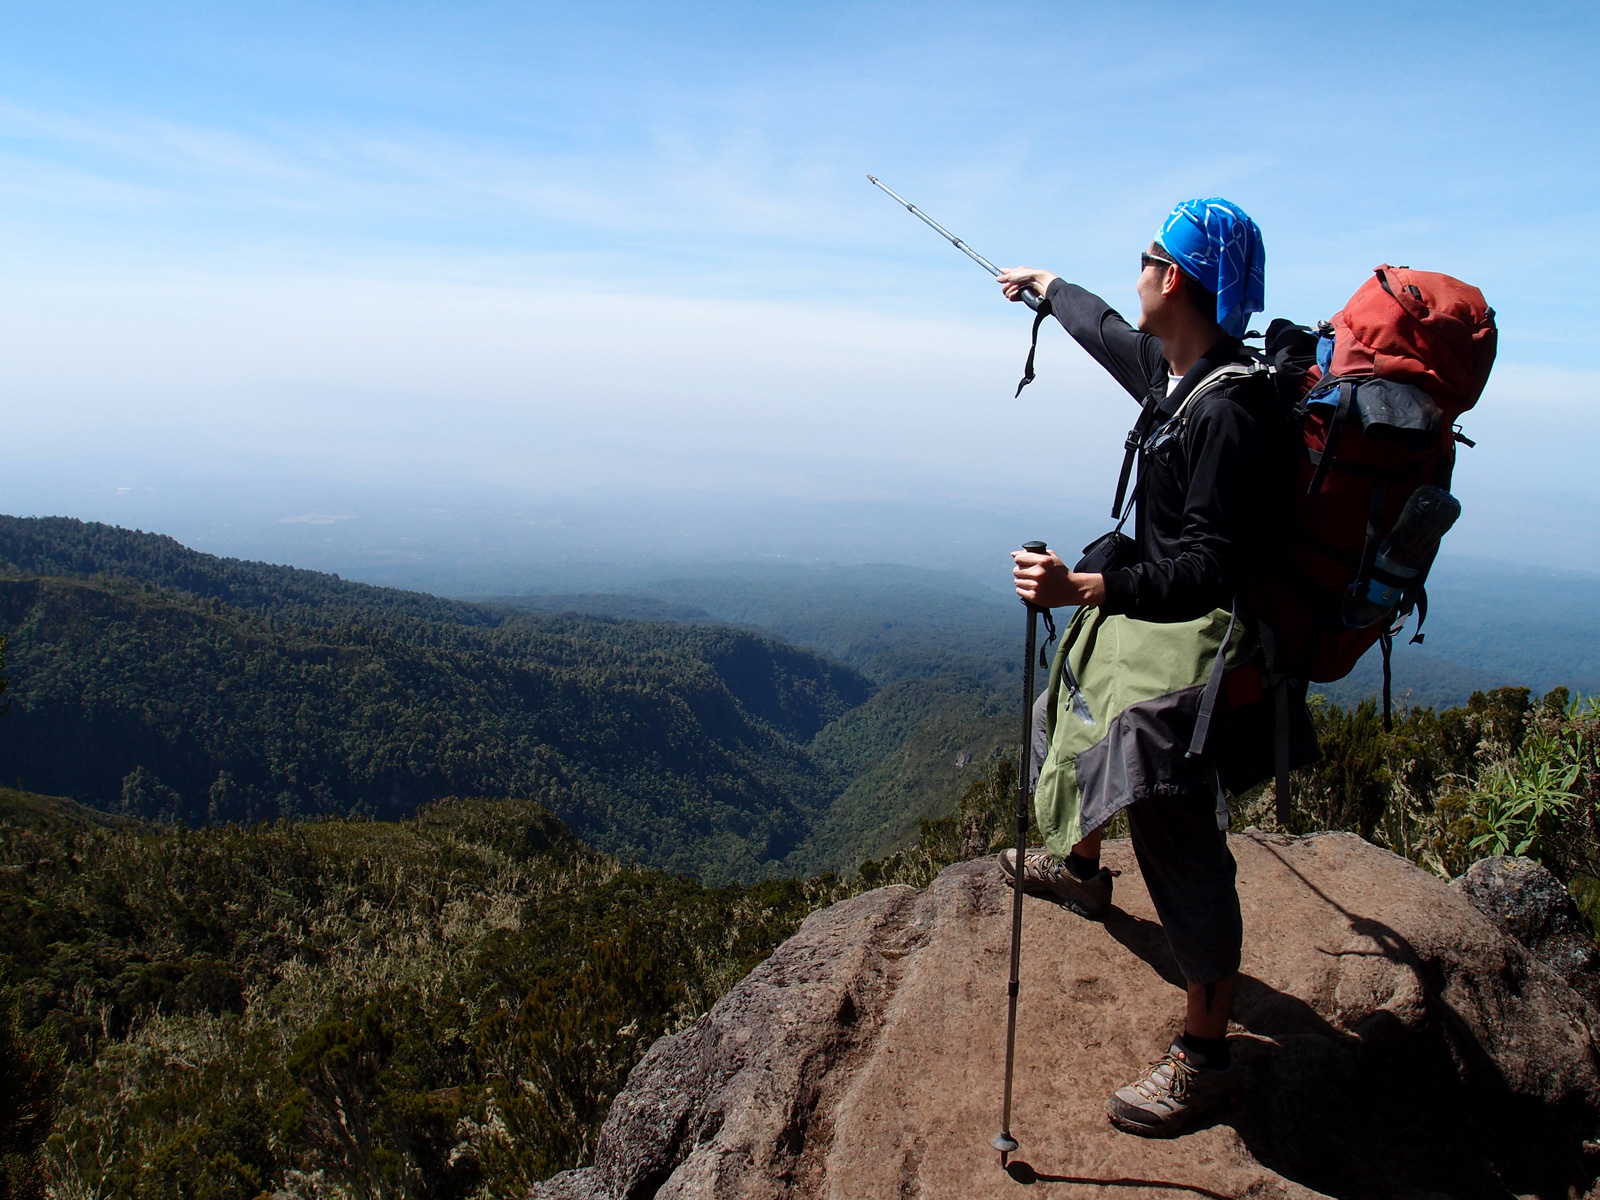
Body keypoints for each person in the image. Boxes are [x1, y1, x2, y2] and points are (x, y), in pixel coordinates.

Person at [993, 199, 1283, 1138]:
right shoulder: (1181, 377)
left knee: (1163, 797)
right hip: (1154, 606)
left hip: (1208, 632)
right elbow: (1111, 338)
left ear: (1182, 282)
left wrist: (1087, 587)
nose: (1139, 270)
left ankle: (1206, 1057)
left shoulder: (1230, 411)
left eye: (1149, 257)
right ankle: (1082, 868)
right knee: (1065, 703)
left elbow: (1211, 568)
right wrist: (1048, 290)